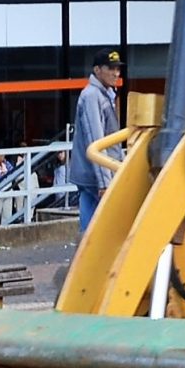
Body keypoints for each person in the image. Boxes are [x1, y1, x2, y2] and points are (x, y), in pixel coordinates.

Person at [71, 48, 125, 235]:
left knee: (91, 229)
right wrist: (104, 182)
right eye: (110, 68)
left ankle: (87, 262)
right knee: (99, 232)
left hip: (93, 175)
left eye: (117, 69)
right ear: (97, 70)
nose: (115, 73)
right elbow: (96, 139)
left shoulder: (103, 94)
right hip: (96, 177)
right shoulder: (92, 96)